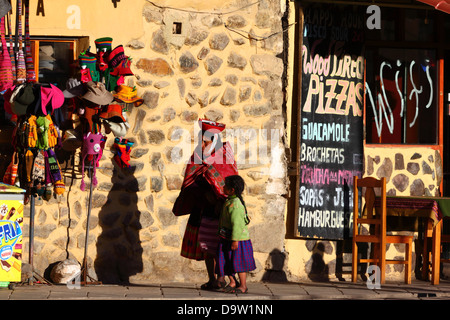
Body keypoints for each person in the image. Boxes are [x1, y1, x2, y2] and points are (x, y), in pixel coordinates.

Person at [172, 119, 238, 290]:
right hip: (202, 209)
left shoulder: (224, 159)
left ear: (214, 142)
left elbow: (228, 185)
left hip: (219, 211)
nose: (201, 144)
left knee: (220, 247)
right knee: (206, 247)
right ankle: (212, 279)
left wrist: (216, 198)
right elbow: (190, 181)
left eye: (205, 141)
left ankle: (222, 278)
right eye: (200, 140)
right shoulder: (197, 157)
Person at [216, 175, 256, 294]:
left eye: (225, 186)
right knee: (225, 261)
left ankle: (243, 286)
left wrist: (235, 240)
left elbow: (237, 224)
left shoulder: (236, 204)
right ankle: (233, 282)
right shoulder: (229, 201)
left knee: (239, 263)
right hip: (226, 238)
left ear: (232, 190)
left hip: (237, 240)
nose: (223, 187)